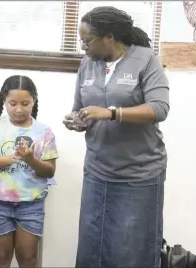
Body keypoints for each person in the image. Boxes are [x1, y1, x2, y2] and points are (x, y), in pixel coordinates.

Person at [62, 6, 170, 268]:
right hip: (98, 171)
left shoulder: (146, 59)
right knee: (92, 247)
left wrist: (111, 113)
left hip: (139, 175)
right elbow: (81, 107)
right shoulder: (88, 64)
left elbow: (159, 108)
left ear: (109, 37)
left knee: (131, 251)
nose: (83, 46)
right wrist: (76, 120)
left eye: (87, 40)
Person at [0, 75, 58, 268]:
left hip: (31, 203)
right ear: (4, 101)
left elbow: (50, 171)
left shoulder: (44, 132)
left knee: (28, 258)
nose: (19, 109)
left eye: (25, 103)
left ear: (34, 101)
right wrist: (10, 158)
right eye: (12, 103)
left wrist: (30, 159)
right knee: (0, 257)